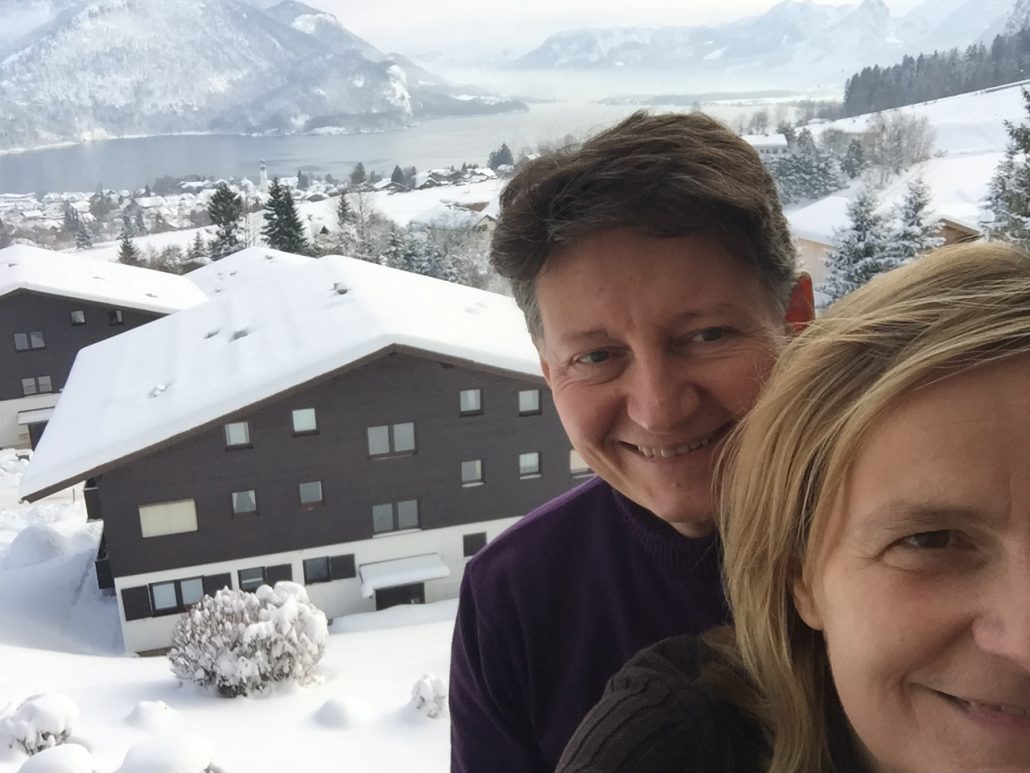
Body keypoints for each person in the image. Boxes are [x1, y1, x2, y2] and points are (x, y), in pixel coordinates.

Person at [557, 242, 1030, 772]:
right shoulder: (673, 745)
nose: (1024, 641)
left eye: (709, 334)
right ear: (799, 573)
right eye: (929, 540)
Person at [449, 110, 814, 772]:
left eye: (707, 335)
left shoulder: (926, 536)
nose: (658, 408)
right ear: (547, 371)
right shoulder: (515, 597)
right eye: (595, 357)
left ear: (797, 318)